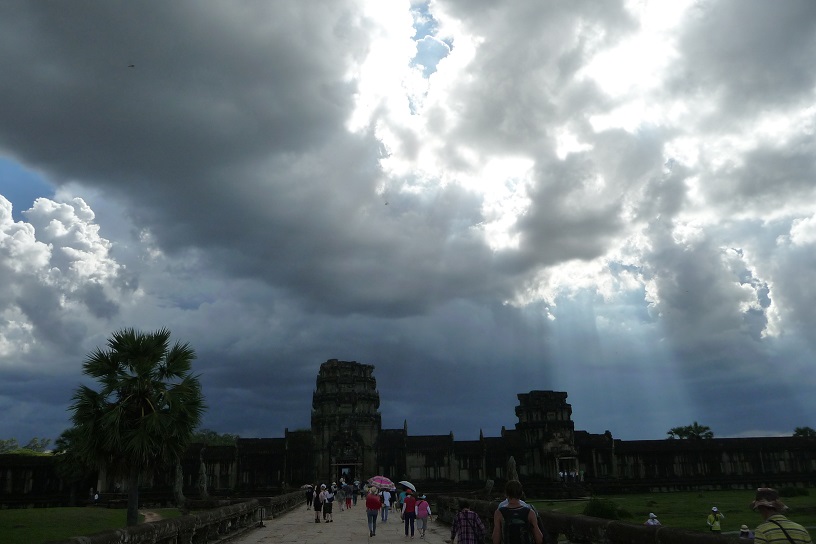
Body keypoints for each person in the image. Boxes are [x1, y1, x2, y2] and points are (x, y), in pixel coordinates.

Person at [493, 480, 543, 544]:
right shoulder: (530, 512)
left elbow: (496, 539)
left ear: (506, 493)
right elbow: (539, 538)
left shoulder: (499, 513)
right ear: (521, 493)